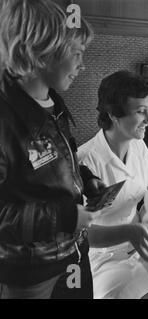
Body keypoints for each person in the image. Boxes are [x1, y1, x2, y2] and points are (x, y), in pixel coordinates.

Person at [0, 0, 102, 298]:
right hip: (30, 273)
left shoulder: (54, 105)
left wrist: (89, 182)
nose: (83, 65)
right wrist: (65, 217)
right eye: (77, 54)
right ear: (42, 51)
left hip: (72, 254)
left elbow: (61, 164)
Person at [77, 70, 148, 299]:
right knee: (133, 285)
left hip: (139, 243)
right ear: (114, 114)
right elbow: (84, 235)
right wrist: (131, 232)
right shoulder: (85, 162)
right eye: (141, 112)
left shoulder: (138, 147)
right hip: (103, 257)